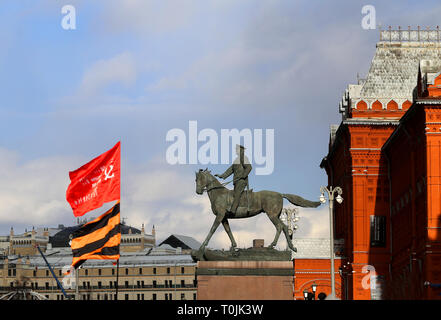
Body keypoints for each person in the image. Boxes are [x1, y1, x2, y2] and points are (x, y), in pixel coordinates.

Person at [215, 145, 252, 214]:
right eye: (236, 150)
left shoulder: (243, 158)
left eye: (237, 149)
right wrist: (222, 175)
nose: (236, 151)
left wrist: (243, 175)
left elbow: (249, 167)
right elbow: (230, 170)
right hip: (236, 181)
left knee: (237, 194)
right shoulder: (236, 160)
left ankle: (233, 210)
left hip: (241, 180)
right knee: (234, 194)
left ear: (241, 150)